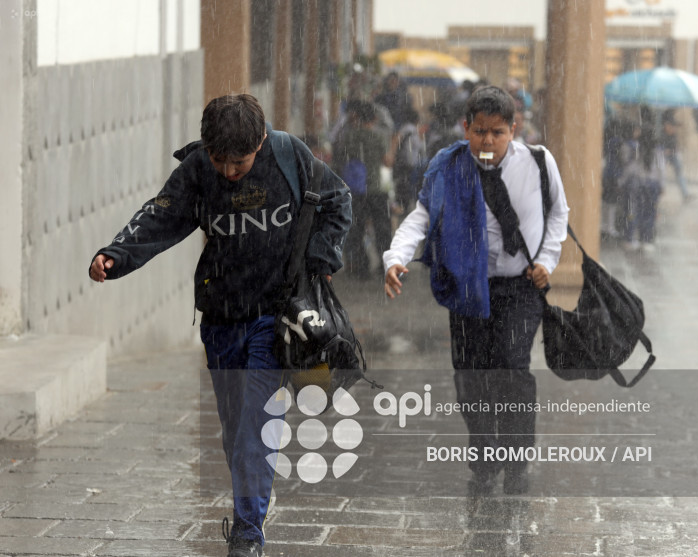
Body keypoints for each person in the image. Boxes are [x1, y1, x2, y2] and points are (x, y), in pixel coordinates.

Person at [88, 94, 352, 557]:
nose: (229, 171)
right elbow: (162, 215)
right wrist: (116, 254)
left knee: (257, 421)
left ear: (262, 141)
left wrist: (320, 259)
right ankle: (248, 504)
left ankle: (248, 534)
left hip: (276, 318)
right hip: (221, 317)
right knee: (235, 428)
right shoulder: (197, 170)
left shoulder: (291, 156)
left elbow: (337, 201)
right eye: (220, 160)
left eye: (240, 162)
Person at [383, 86, 569, 496]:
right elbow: (422, 216)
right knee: (470, 376)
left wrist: (547, 260)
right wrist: (395, 257)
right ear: (466, 128)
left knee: (511, 366)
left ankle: (517, 460)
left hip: (521, 286)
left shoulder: (538, 162)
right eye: (480, 131)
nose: (488, 141)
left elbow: (559, 211)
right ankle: (485, 457)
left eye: (498, 133)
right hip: (468, 287)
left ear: (513, 130)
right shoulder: (448, 166)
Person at [332, 99, 391, 279]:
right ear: (374, 117)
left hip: (355, 188)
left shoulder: (348, 135)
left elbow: (340, 158)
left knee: (356, 228)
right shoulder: (379, 136)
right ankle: (385, 265)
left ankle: (359, 267)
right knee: (382, 228)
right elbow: (387, 161)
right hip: (376, 189)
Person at [619, 119, 664, 252]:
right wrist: (662, 185)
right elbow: (661, 169)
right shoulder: (658, 150)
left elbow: (632, 167)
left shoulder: (638, 148)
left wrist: (622, 180)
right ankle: (646, 240)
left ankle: (631, 239)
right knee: (650, 212)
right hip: (653, 185)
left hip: (639, 184)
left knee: (634, 210)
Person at [660, 109, 690, 200]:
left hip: (673, 154)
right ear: (666, 126)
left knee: (679, 173)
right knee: (661, 172)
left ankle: (685, 194)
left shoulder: (672, 133)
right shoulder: (663, 134)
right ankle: (660, 191)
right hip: (665, 154)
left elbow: (674, 143)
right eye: (671, 126)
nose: (674, 129)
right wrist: (664, 150)